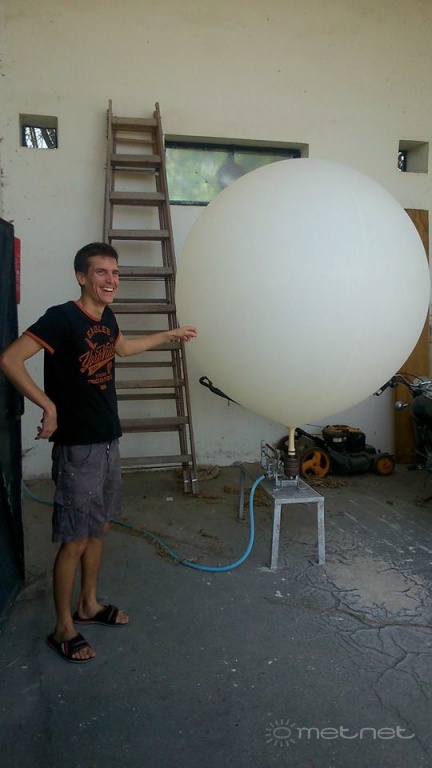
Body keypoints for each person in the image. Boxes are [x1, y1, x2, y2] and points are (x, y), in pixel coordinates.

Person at [0, 242, 197, 664]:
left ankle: (87, 604)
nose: (111, 280)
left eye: (115, 273)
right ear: (81, 277)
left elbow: (121, 348)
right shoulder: (61, 318)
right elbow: (11, 359)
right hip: (78, 448)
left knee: (100, 526)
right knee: (75, 539)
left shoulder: (106, 316)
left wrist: (167, 335)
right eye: (102, 272)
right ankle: (62, 628)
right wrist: (48, 405)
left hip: (108, 439)